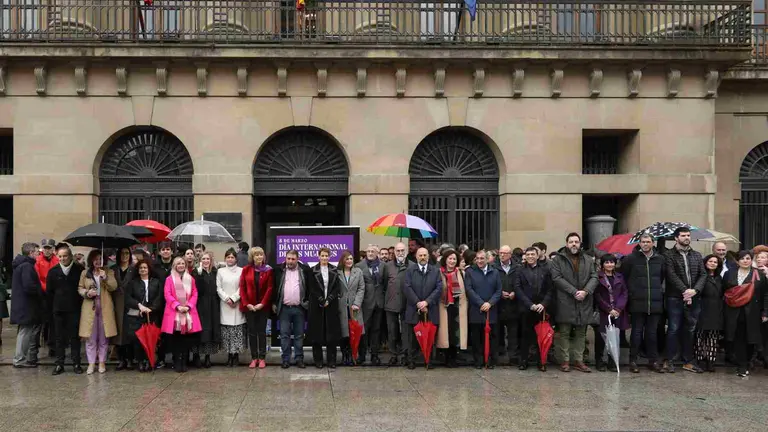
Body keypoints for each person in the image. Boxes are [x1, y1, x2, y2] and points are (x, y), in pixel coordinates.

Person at [550, 232, 597, 373]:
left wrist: (585, 291)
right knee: (564, 332)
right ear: (566, 244)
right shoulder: (558, 260)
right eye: (571, 242)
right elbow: (556, 278)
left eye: (576, 242)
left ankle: (579, 360)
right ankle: (564, 361)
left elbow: (594, 276)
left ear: (580, 243)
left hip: (584, 301)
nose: (574, 244)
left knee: (581, 333)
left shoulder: (588, 259)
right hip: (565, 301)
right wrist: (574, 291)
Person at [663, 226, 706, 373]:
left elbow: (703, 275)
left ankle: (688, 361)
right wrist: (685, 291)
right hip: (675, 298)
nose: (686, 238)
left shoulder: (697, 255)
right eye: (683, 236)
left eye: (688, 235)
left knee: (690, 330)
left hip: (694, 298)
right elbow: (671, 275)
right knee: (673, 329)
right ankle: (669, 360)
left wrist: (695, 290)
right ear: (676, 238)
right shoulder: (668, 255)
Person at [621, 234, 666, 373]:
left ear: (653, 243)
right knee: (636, 332)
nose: (645, 244)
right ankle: (633, 360)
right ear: (639, 243)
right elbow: (624, 277)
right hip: (637, 301)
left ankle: (652, 361)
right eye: (643, 242)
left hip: (654, 301)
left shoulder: (660, 259)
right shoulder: (630, 259)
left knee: (652, 333)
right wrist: (632, 293)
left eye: (648, 242)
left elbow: (662, 277)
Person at [723, 250, 768, 377]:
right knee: (738, 338)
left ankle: (747, 362)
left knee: (751, 338)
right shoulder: (729, 273)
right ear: (737, 260)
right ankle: (742, 365)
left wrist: (765, 312)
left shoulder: (759, 274)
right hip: (733, 311)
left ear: (751, 259)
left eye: (748, 258)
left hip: (753, 311)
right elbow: (724, 292)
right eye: (742, 258)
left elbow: (765, 294)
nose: (745, 261)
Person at [78, 249, 118, 375]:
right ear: (91, 260)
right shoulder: (85, 272)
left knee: (103, 337)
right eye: (95, 259)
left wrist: (105, 277)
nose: (97, 261)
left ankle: (102, 362)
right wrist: (86, 293)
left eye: (100, 259)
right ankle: (91, 363)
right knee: (90, 336)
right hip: (90, 306)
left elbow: (114, 286)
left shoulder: (108, 271)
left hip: (105, 306)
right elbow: (80, 287)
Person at [513, 247, 553, 371]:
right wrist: (530, 304)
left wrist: (543, 304)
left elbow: (550, 289)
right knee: (525, 336)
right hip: (526, 308)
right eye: (528, 254)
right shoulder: (519, 270)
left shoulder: (545, 270)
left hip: (541, 309)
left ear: (537, 255)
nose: (530, 256)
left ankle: (541, 361)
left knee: (540, 336)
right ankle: (523, 360)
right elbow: (518, 289)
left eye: (532, 254)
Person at [48, 244, 85, 375]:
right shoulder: (53, 271)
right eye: (60, 256)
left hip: (74, 309)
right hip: (58, 310)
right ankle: (59, 364)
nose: (62, 259)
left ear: (70, 256)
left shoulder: (79, 270)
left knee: (74, 337)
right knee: (59, 338)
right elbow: (49, 292)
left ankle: (76, 363)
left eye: (65, 256)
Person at [403, 247, 442, 369]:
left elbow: (439, 288)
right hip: (413, 308)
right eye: (420, 255)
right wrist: (418, 303)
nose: (423, 258)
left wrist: (427, 302)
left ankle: (428, 360)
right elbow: (407, 288)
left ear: (428, 256)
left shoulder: (435, 271)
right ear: (416, 257)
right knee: (412, 337)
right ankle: (411, 360)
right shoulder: (410, 270)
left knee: (430, 336)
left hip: (430, 308)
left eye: (425, 255)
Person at [162, 257, 202, 373]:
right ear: (174, 265)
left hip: (188, 312)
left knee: (186, 339)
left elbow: (195, 293)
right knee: (176, 339)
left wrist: (188, 306)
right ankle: (177, 361)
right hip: (174, 312)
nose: (181, 265)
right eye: (178, 263)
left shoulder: (191, 279)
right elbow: (167, 294)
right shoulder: (169, 279)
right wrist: (177, 306)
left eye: (182, 263)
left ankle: (184, 361)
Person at [464, 250, 503, 369]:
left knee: (492, 337)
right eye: (477, 259)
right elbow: (469, 289)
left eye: (482, 258)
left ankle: (490, 360)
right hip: (476, 309)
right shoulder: (470, 272)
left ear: (487, 259)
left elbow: (498, 290)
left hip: (491, 309)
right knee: (476, 337)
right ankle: (478, 361)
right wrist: (481, 303)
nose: (479, 261)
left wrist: (490, 303)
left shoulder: (495, 272)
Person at [273, 249, 310, 369]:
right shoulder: (279, 270)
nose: (290, 261)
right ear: (285, 258)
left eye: (293, 259)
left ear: (297, 259)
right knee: (284, 335)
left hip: (299, 308)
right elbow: (274, 287)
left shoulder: (304, 270)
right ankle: (285, 359)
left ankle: (299, 358)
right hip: (284, 309)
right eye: (288, 258)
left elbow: (309, 287)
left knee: (299, 335)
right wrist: (274, 303)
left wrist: (307, 302)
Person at [124, 259, 163, 373]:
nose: (143, 269)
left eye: (145, 267)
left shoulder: (156, 282)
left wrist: (151, 309)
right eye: (141, 268)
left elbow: (159, 297)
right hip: (138, 315)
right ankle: (140, 361)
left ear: (149, 269)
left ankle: (148, 360)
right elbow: (128, 298)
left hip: (152, 315)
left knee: (151, 338)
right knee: (138, 340)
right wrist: (139, 306)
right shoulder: (133, 282)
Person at [239, 247, 273, 369]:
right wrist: (247, 303)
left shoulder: (268, 270)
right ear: (252, 257)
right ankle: (254, 358)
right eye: (256, 255)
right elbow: (242, 288)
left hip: (263, 307)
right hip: (250, 307)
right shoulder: (246, 270)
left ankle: (262, 358)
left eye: (261, 255)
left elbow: (270, 288)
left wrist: (262, 304)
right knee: (252, 333)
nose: (259, 257)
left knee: (262, 332)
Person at [594, 254, 629, 372]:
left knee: (614, 337)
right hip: (604, 311)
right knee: (601, 337)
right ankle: (599, 361)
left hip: (618, 312)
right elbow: (597, 295)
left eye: (612, 262)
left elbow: (624, 293)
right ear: (602, 264)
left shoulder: (619, 276)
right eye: (607, 262)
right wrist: (608, 309)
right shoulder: (598, 277)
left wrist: (618, 309)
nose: (609, 265)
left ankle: (612, 361)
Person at [307, 248, 342, 368]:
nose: (324, 258)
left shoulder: (334, 270)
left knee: (331, 334)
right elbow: (311, 288)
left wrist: (329, 299)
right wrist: (321, 300)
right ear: (318, 256)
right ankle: (318, 361)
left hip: (331, 305)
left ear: (329, 257)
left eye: (326, 256)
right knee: (317, 334)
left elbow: (337, 287)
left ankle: (332, 361)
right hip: (317, 305)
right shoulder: (312, 270)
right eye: (322, 256)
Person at [11, 242, 44, 368]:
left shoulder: (22, 265)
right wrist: (40, 291)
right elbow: (29, 287)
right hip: (26, 306)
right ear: (30, 253)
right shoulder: (26, 266)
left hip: (23, 305)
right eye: (37, 252)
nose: (38, 254)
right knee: (25, 332)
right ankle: (19, 359)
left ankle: (19, 359)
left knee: (23, 332)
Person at [437, 249, 467, 368]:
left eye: (454, 259)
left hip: (457, 307)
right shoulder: (439, 272)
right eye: (450, 258)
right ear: (445, 260)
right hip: (444, 306)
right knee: (445, 332)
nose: (452, 261)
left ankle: (454, 357)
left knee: (456, 333)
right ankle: (445, 357)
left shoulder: (462, 273)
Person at [381, 242, 410, 366]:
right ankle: (393, 354)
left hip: (407, 304)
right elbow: (384, 283)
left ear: (406, 251)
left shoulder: (412, 266)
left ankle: (405, 355)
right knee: (392, 331)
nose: (400, 253)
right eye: (398, 251)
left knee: (406, 332)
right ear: (394, 252)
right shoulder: (387, 266)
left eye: (402, 250)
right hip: (391, 303)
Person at [356, 244, 384, 366]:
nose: (370, 253)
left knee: (376, 330)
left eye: (373, 251)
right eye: (368, 251)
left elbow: (386, 283)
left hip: (379, 302)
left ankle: (374, 355)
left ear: (377, 253)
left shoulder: (383, 266)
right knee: (364, 330)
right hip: (365, 303)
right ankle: (361, 355)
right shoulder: (359, 266)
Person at [217, 248, 246, 367]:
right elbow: (218, 288)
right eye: (228, 257)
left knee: (237, 331)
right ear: (225, 259)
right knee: (227, 332)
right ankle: (229, 355)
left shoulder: (241, 271)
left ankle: (236, 356)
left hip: (237, 304)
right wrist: (227, 299)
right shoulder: (220, 271)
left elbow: (242, 287)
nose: (230, 259)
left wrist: (234, 298)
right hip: (225, 304)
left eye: (232, 257)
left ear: (236, 259)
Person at [192, 251, 221, 368]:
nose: (205, 261)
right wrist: (198, 275)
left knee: (211, 330)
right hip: (200, 304)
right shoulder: (196, 272)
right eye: (203, 259)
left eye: (207, 259)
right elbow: (196, 289)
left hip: (213, 304)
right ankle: (197, 356)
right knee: (200, 330)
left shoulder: (215, 272)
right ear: (200, 260)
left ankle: (208, 356)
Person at [696, 254, 724, 373]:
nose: (713, 263)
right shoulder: (700, 276)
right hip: (702, 308)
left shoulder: (719, 278)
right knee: (700, 336)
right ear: (705, 262)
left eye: (715, 262)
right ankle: (700, 360)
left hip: (716, 310)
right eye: (710, 261)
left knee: (713, 337)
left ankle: (711, 361)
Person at [337, 250, 365, 366]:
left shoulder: (358, 272)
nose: (349, 261)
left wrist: (356, 303)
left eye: (351, 259)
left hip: (355, 307)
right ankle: (345, 355)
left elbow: (361, 288)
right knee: (344, 333)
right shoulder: (337, 272)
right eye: (347, 259)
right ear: (343, 260)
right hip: (342, 307)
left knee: (357, 331)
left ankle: (356, 355)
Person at [151, 241, 174, 369]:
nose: (166, 251)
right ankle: (161, 358)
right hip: (159, 303)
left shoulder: (176, 265)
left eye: (168, 249)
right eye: (163, 249)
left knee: (172, 331)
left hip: (173, 303)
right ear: (160, 252)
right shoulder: (154, 266)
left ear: (171, 251)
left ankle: (173, 357)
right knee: (160, 331)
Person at [111, 247, 135, 371]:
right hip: (117, 304)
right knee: (118, 332)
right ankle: (121, 359)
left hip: (130, 303)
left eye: (127, 253)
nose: (124, 255)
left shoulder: (134, 269)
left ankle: (130, 359)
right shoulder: (113, 270)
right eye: (122, 253)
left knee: (129, 332)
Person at [495, 245, 520, 365]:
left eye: (505, 253)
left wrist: (515, 292)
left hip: (513, 305)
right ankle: (499, 355)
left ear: (510, 255)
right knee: (498, 332)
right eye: (500, 253)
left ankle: (513, 356)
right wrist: (499, 293)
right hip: (499, 305)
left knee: (513, 333)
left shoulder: (517, 267)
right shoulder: (494, 267)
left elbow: (520, 283)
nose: (502, 255)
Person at [35, 238, 59, 358]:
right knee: (43, 322)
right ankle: (37, 345)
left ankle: (53, 346)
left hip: (54, 295)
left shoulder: (56, 260)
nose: (47, 250)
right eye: (45, 248)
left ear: (53, 249)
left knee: (54, 322)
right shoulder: (38, 261)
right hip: (44, 295)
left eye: (49, 248)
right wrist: (46, 288)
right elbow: (38, 278)